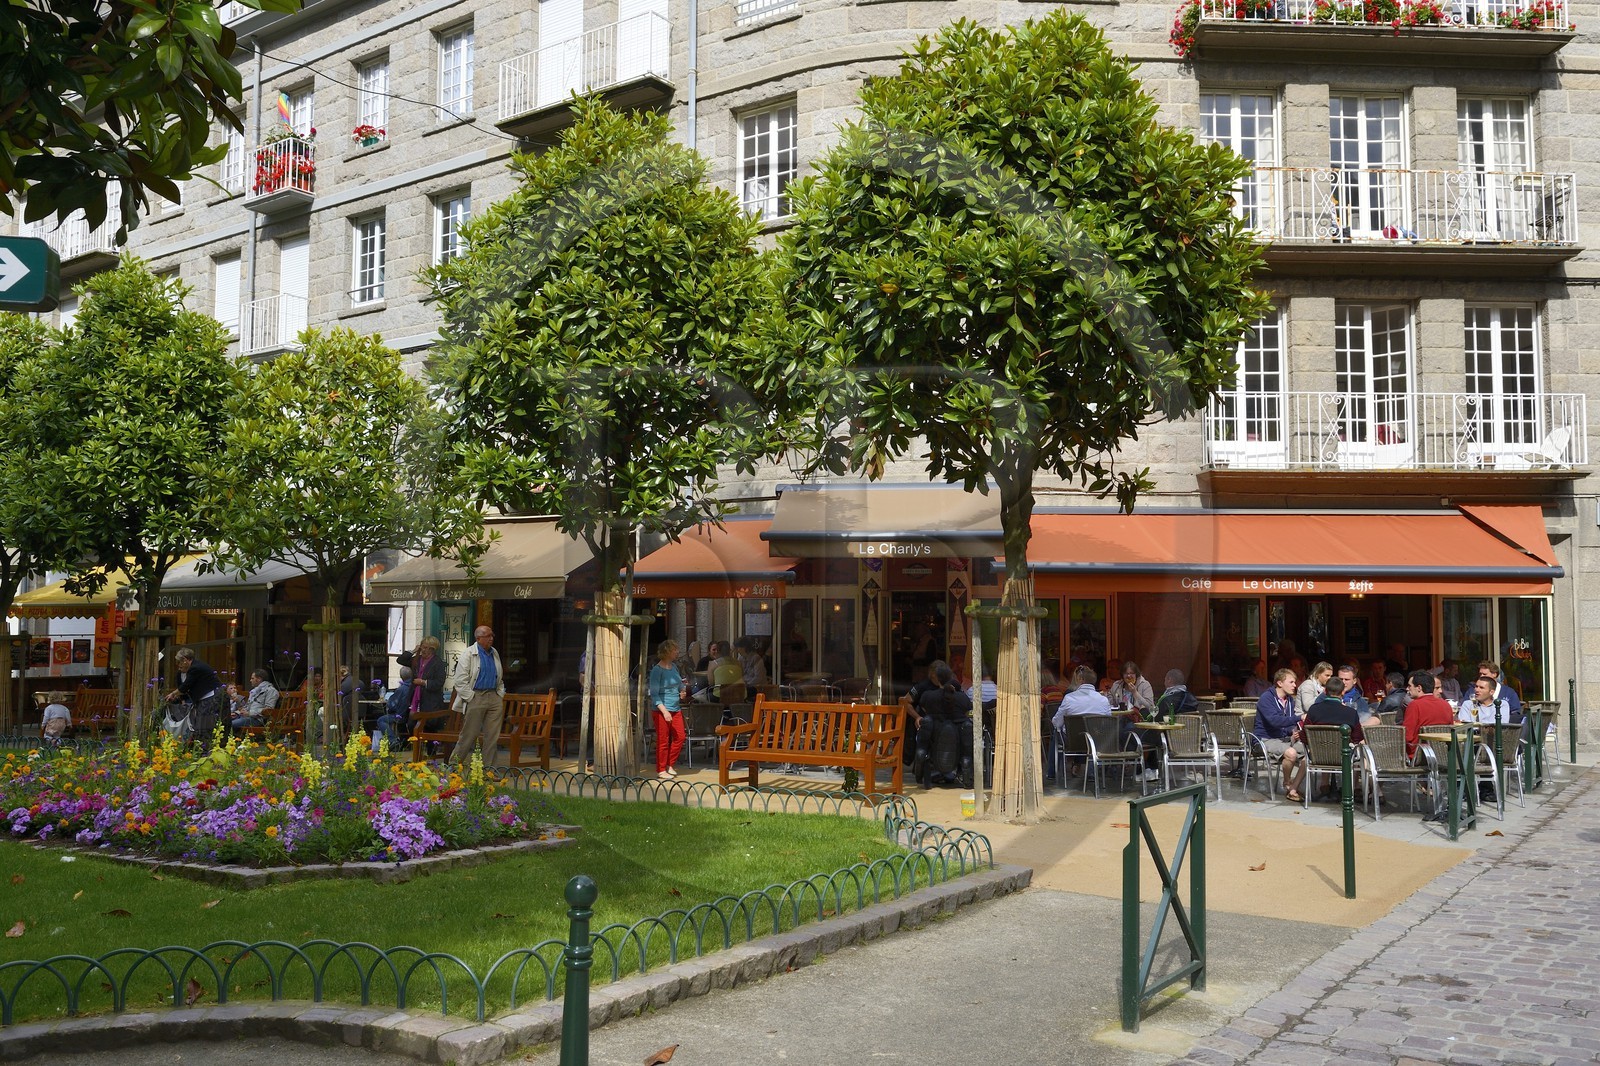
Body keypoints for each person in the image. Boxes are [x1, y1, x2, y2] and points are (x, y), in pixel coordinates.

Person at [1291, 676, 1379, 799]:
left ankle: (1293, 789)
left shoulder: (1314, 710)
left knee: (1306, 759)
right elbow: (1357, 738)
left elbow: (1305, 736)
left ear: (1325, 692)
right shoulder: (1350, 713)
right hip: (1343, 757)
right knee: (1363, 751)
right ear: (1343, 692)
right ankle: (1375, 792)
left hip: (1318, 756)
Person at [448, 625, 506, 767]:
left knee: (492, 736)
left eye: (492, 635)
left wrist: (500, 694)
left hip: (493, 696)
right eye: (488, 636)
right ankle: (454, 765)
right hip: (476, 696)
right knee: (469, 734)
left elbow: (499, 675)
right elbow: (460, 681)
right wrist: (471, 697)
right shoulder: (469, 654)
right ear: (478, 638)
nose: (491, 638)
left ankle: (489, 769)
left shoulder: (494, 652)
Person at [915, 663, 974, 785]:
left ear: (937, 678)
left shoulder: (928, 696)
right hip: (958, 742)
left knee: (926, 722)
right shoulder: (963, 698)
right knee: (967, 726)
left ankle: (920, 765)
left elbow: (924, 710)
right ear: (952, 677)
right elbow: (968, 712)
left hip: (933, 741)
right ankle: (966, 774)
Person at [1253, 668, 1304, 800]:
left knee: (1310, 751)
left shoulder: (1289, 700)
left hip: (1284, 738)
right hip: (1265, 739)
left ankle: (1294, 787)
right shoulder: (1266, 698)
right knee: (1291, 754)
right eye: (1291, 682)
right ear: (1280, 683)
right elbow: (1274, 721)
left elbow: (1288, 724)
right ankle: (1287, 783)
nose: (1295, 685)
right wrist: (1299, 718)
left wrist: (1293, 731)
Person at [164, 647, 222, 741]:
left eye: (180, 663)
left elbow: (185, 686)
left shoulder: (195, 668)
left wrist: (172, 694)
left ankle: (205, 744)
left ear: (185, 660)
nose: (178, 666)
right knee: (198, 722)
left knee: (204, 723)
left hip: (211, 697)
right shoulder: (184, 671)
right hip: (200, 698)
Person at [648, 639, 686, 780]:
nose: (677, 652)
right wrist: (664, 711)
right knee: (663, 740)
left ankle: (670, 764)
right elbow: (654, 693)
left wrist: (682, 691)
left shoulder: (674, 667)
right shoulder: (657, 671)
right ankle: (661, 769)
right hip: (661, 710)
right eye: (674, 649)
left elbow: (679, 683)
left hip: (675, 708)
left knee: (680, 737)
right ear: (667, 652)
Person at [398, 636, 448, 742]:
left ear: (432, 649)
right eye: (422, 647)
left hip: (430, 701)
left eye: (426, 648)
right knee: (411, 724)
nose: (423, 650)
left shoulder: (438, 663)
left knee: (429, 727)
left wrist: (424, 682)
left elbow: (439, 682)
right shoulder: (417, 660)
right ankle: (417, 750)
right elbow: (401, 659)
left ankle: (429, 752)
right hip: (415, 699)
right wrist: (414, 650)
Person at [1402, 670, 1455, 761]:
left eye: (1410, 686)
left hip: (1420, 757)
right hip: (1443, 755)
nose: (1407, 689)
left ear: (1419, 688)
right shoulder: (1446, 705)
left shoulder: (1415, 705)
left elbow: (1407, 736)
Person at [1050, 665, 1112, 731]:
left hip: (1073, 739)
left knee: (1057, 731)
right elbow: (1108, 723)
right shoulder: (1104, 700)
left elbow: (1057, 723)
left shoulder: (1069, 698)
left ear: (1080, 679)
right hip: (1097, 739)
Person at [374, 666, 415, 749]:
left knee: (381, 720)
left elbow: (392, 704)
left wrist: (388, 703)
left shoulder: (402, 689)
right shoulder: (415, 687)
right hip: (411, 715)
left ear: (401, 677)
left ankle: (393, 740)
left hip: (400, 716)